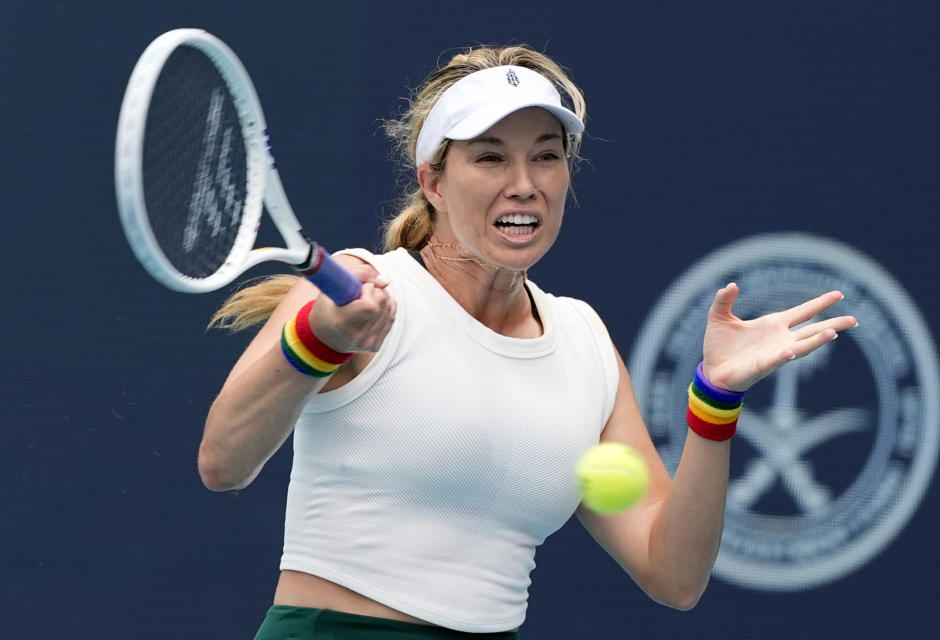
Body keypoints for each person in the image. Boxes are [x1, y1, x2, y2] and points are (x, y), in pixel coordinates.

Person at [198, 45, 857, 639]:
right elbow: (223, 461)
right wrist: (317, 340)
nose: (525, 183)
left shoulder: (582, 340)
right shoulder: (358, 292)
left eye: (546, 155)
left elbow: (674, 574)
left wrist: (716, 400)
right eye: (490, 157)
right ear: (433, 180)